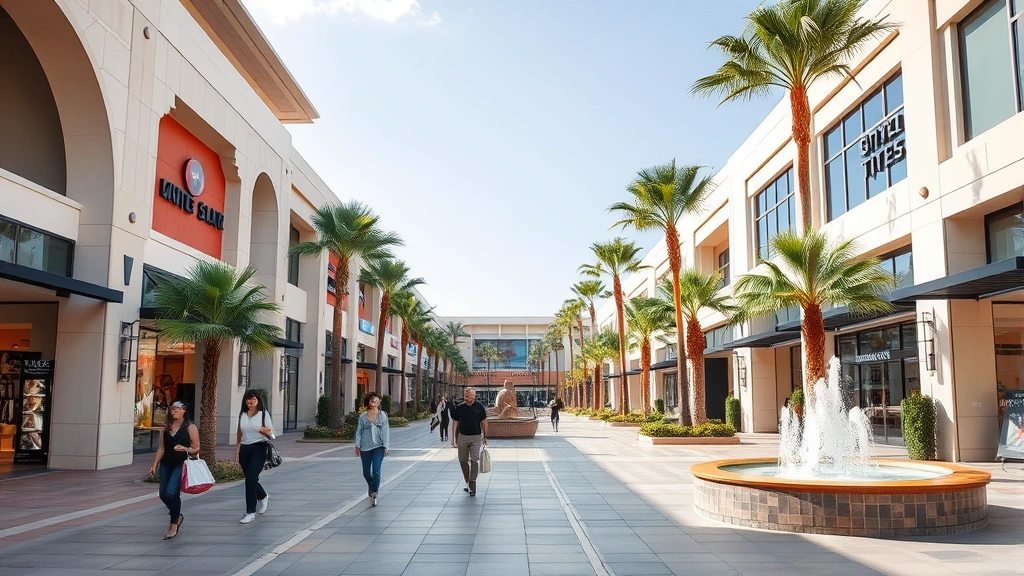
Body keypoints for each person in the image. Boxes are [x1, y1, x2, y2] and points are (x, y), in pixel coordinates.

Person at [148, 400, 199, 540]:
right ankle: (177, 515)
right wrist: (154, 465)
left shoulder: (190, 427)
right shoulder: (166, 427)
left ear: (184, 411)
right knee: (163, 494)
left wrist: (185, 448)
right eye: (172, 408)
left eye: (177, 409)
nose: (174, 411)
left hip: (180, 464)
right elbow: (161, 448)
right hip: (166, 463)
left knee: (171, 492)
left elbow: (196, 448)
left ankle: (173, 524)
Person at [236, 390, 276, 524]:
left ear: (258, 400)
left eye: (253, 399)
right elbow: (240, 432)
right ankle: (263, 496)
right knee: (250, 478)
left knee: (251, 478)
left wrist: (262, 430)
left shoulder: (263, 414)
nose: (250, 401)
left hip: (259, 448)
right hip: (245, 449)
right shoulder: (243, 414)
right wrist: (237, 451)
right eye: (248, 399)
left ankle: (250, 512)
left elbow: (271, 433)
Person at [355, 391, 390, 507]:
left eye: (376, 399)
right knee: (366, 473)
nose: (375, 401)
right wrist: (357, 445)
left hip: (378, 447)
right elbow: (359, 431)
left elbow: (385, 431)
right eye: (372, 400)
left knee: (376, 471)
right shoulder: (363, 416)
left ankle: (374, 492)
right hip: (365, 448)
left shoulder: (382, 415)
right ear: (368, 402)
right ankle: (371, 485)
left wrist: (386, 446)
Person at [453, 387, 488, 496]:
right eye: (465, 395)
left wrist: (485, 436)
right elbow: (455, 423)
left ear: (473, 396)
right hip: (462, 437)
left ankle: (472, 484)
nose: (466, 397)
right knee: (462, 460)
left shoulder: (479, 407)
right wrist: (453, 438)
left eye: (468, 396)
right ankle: (467, 481)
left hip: (476, 437)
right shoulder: (459, 408)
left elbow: (484, 422)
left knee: (474, 459)